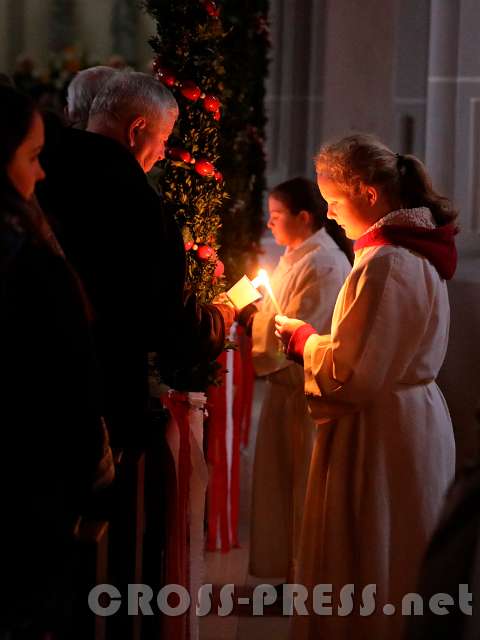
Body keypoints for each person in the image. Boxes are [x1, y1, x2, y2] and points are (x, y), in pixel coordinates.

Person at [275, 134, 457, 640]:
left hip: (381, 431)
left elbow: (353, 375)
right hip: (406, 417)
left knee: (372, 549)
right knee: (398, 543)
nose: (330, 214)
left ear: (367, 194)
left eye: (334, 200)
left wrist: (304, 340)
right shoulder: (403, 253)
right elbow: (381, 346)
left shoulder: (388, 262)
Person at [37, 70, 234, 448]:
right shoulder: (137, 205)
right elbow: (168, 326)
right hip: (100, 400)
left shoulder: (41, 169)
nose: (162, 153)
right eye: (162, 139)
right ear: (136, 128)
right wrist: (216, 320)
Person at [0, 85, 113, 636]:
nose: (41, 174)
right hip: (23, 498)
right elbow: (67, 377)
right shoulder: (25, 258)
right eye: (31, 156)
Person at [247, 177, 352, 582]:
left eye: (276, 216)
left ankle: (300, 575)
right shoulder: (297, 254)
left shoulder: (323, 263)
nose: (269, 224)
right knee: (279, 486)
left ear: (303, 218)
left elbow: (303, 328)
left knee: (299, 489)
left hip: (300, 393)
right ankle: (281, 572)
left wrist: (257, 323)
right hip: (284, 389)